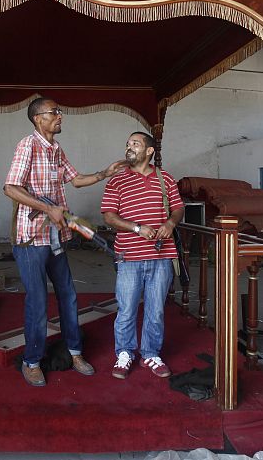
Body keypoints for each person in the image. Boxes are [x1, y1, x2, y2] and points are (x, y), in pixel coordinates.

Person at [3, 97, 127, 387]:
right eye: (54, 112)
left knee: (68, 295)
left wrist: (103, 174)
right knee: (37, 302)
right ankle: (32, 361)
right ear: (38, 119)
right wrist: (48, 208)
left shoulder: (56, 150)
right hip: (31, 238)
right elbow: (10, 187)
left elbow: (76, 179)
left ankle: (74, 352)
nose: (60, 116)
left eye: (60, 111)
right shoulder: (27, 145)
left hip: (55, 236)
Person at [101, 131, 184, 379]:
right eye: (127, 143)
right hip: (129, 255)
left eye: (135, 144)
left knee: (156, 309)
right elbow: (109, 216)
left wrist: (170, 224)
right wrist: (137, 228)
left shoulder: (165, 178)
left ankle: (150, 353)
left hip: (161, 256)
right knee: (126, 309)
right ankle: (125, 353)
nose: (129, 147)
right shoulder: (116, 181)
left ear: (149, 151)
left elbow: (178, 208)